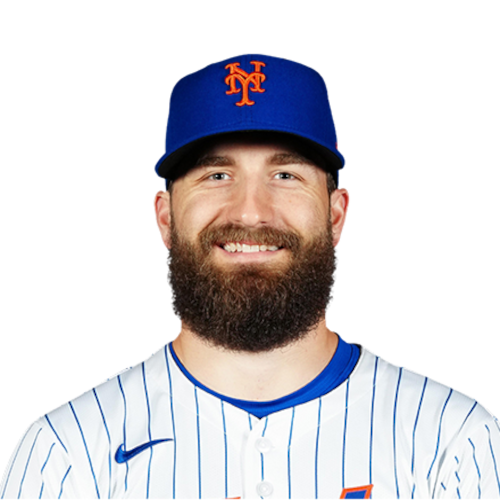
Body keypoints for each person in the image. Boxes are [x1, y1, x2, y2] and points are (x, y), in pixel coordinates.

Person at [1, 53, 499, 500]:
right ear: (165, 217)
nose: (251, 212)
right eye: (216, 175)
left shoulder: (453, 441)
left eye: (286, 175)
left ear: (336, 215)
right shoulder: (67, 454)